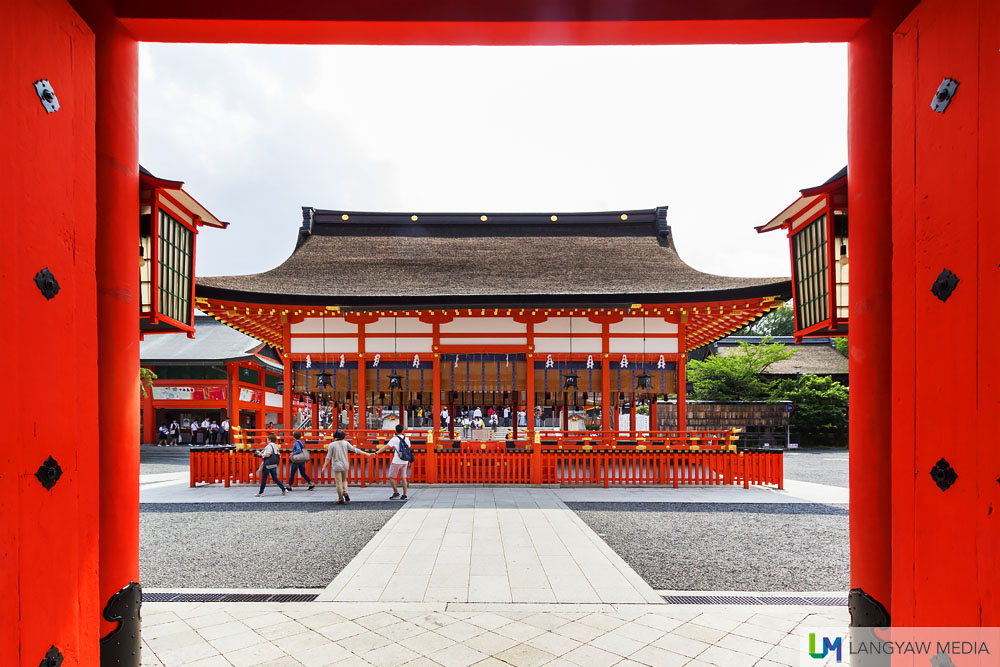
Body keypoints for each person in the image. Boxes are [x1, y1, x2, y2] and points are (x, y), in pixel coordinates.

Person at [321, 429, 372, 504]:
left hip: (336, 465)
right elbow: (355, 450)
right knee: (344, 480)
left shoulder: (332, 445)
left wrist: (324, 466)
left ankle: (340, 499)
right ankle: (346, 492)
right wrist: (366, 454)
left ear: (335, 437)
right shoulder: (346, 443)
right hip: (345, 464)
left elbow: (328, 457)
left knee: (338, 483)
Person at [376, 424, 411, 500]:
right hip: (405, 460)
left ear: (395, 430)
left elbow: (386, 447)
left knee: (392, 477)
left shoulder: (394, 439)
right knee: (404, 478)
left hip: (396, 461)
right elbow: (408, 449)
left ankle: (396, 492)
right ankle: (404, 494)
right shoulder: (407, 439)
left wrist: (376, 452)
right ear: (403, 430)